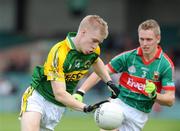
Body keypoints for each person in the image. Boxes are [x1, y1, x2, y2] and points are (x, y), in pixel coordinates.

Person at [19, 15, 119, 131]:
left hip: (57, 107)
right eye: (94, 41)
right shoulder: (60, 52)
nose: (95, 46)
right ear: (83, 32)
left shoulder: (93, 50)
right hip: (38, 98)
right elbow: (60, 93)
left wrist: (109, 82)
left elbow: (96, 61)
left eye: (99, 43)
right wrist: (86, 108)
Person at [74, 19, 176, 131]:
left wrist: (153, 95)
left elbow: (170, 100)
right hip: (118, 103)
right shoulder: (128, 57)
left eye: (149, 39)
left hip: (138, 114)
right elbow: (101, 72)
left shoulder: (165, 65)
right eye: (141, 39)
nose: (144, 44)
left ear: (158, 39)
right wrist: (81, 91)